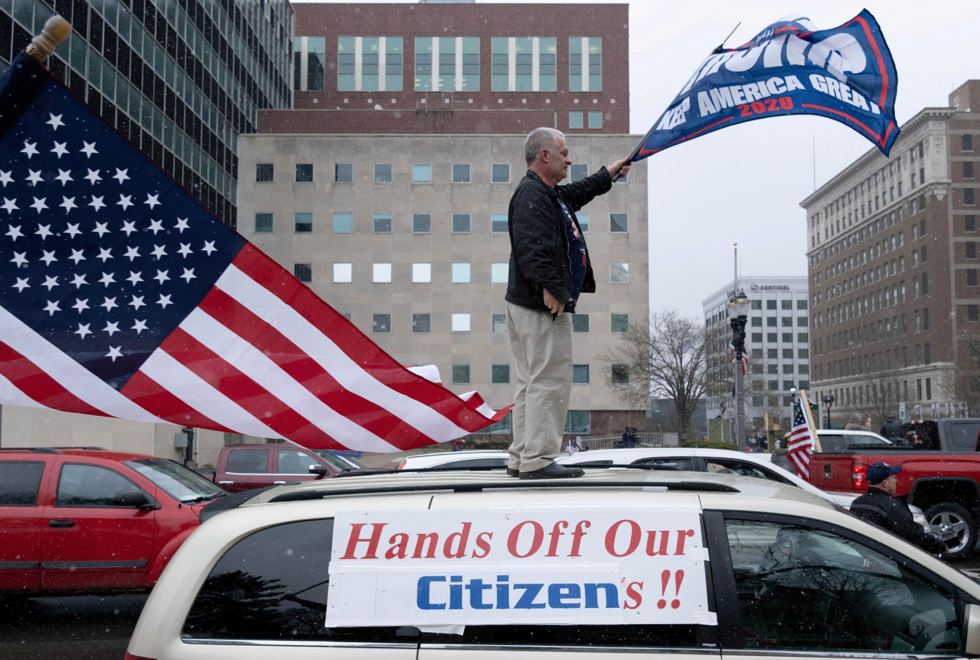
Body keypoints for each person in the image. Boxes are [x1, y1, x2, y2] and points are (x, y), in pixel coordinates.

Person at [505, 127, 630, 479]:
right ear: (544, 155)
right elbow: (531, 248)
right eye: (564, 152)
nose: (569, 159)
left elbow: (576, 193)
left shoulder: (545, 194)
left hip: (527, 303)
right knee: (550, 380)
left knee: (532, 381)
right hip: (540, 305)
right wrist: (551, 287)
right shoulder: (533, 195)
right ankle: (540, 460)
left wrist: (608, 175)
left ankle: (523, 457)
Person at [850, 462, 947, 555]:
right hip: (887, 559)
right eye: (894, 477)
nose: (896, 480)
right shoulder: (891, 507)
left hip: (864, 554)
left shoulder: (857, 503)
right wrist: (940, 547)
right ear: (885, 483)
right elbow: (914, 535)